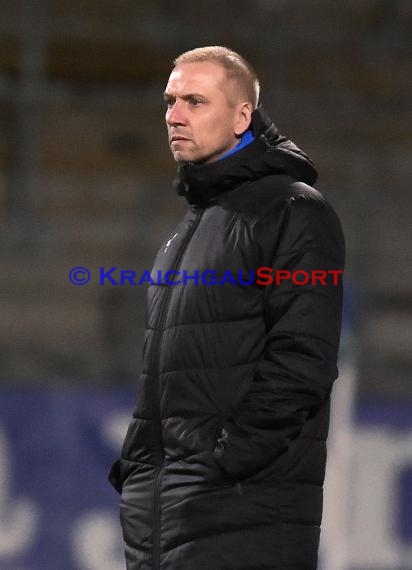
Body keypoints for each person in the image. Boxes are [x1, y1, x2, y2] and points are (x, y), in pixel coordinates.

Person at [109, 46, 345, 570]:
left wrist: (226, 460)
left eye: (195, 100)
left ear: (242, 117)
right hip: (168, 519)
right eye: (170, 100)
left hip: (243, 516)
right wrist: (141, 469)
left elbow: (304, 361)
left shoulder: (293, 210)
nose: (174, 115)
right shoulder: (194, 225)